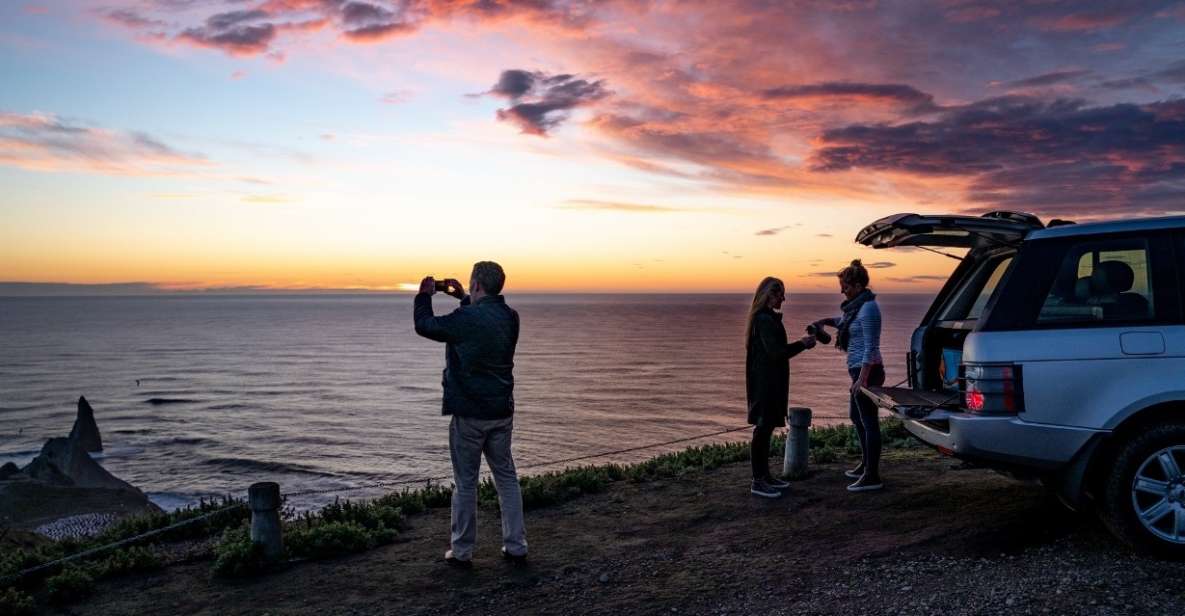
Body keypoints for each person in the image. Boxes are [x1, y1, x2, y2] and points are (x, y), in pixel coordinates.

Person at [413, 261, 527, 567]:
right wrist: (463, 296)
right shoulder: (510, 317)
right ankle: (516, 545)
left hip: (470, 415)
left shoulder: (466, 318)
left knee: (465, 483)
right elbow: (482, 319)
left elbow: (426, 326)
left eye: (470, 284)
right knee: (506, 477)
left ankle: (462, 552)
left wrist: (424, 296)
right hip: (502, 411)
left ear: (477, 284)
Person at [812, 260, 885, 492]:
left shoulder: (869, 308)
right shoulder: (856, 308)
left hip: (869, 371)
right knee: (857, 417)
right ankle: (866, 463)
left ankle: (872, 475)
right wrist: (824, 321)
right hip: (859, 370)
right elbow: (843, 322)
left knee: (869, 422)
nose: (841, 290)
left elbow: (871, 347)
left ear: (856, 284)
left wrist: (862, 380)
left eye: (844, 285)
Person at [745, 277, 817, 498]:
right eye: (780, 294)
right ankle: (758, 480)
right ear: (770, 295)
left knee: (765, 429)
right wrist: (802, 344)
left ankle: (764, 476)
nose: (784, 298)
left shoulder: (765, 319)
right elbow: (776, 352)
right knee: (763, 429)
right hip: (765, 382)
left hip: (768, 381)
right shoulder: (764, 320)